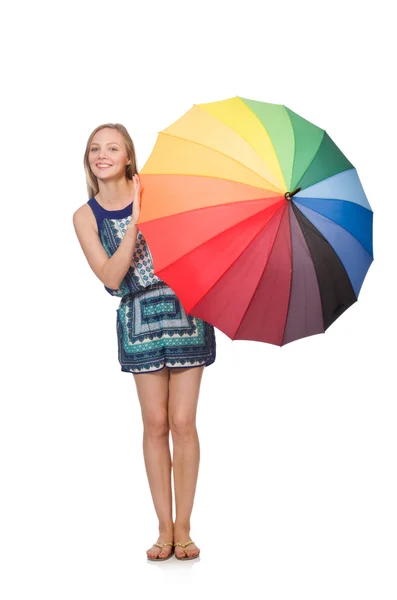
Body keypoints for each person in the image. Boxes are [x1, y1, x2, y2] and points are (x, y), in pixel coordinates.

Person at [73, 123, 216, 561]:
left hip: (185, 307)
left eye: (112, 147)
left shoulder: (156, 190)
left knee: (183, 422)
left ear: (128, 157)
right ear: (89, 159)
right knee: (154, 424)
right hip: (138, 318)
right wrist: (136, 219)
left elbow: (194, 236)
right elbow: (112, 276)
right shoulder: (85, 216)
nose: (103, 154)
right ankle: (163, 529)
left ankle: (184, 529)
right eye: (95, 148)